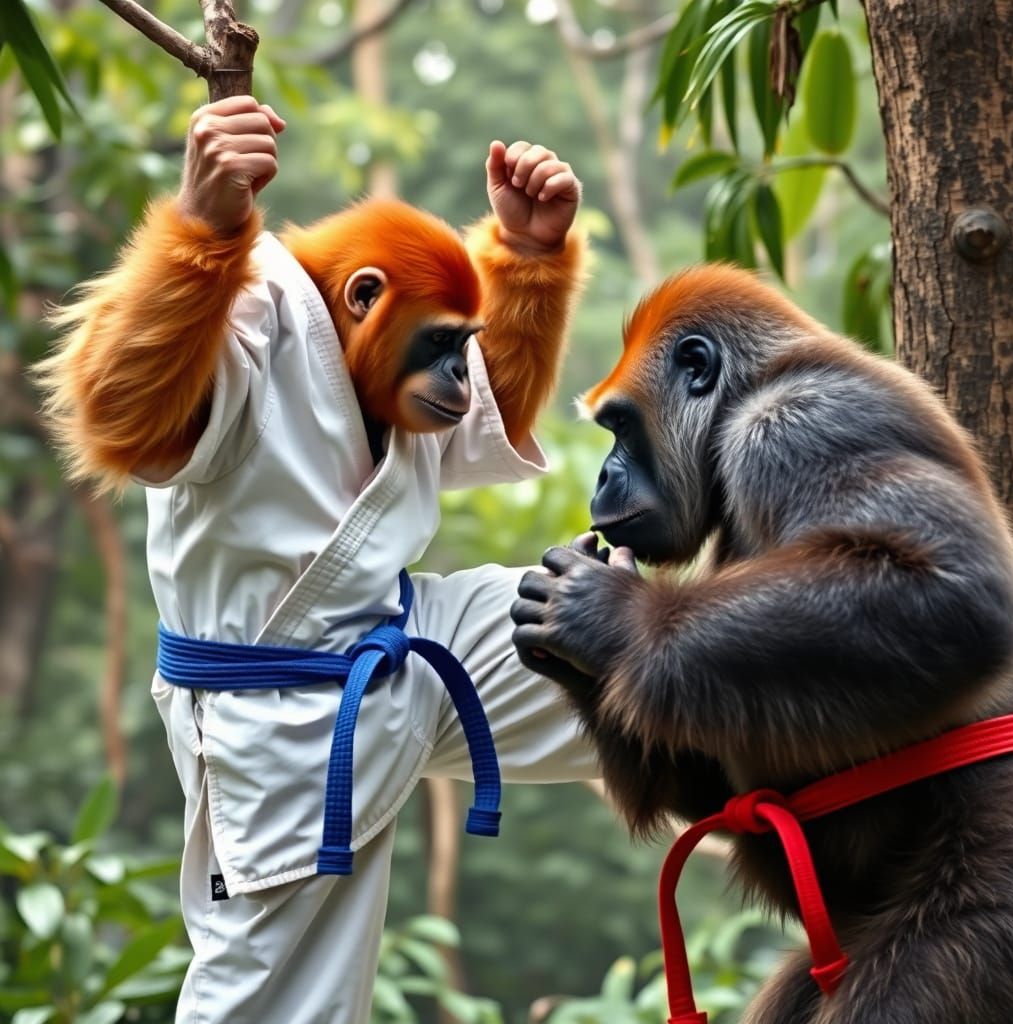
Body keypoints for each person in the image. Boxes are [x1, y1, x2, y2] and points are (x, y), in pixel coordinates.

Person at [41, 95, 599, 1023]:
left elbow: (488, 406)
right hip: (279, 712)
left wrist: (527, 262)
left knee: (622, 643)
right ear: (364, 298)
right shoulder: (255, 321)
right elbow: (119, 423)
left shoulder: (390, 365)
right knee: (281, 1000)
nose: (462, 375)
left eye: (463, 346)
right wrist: (197, 236)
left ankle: (827, 701)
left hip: (405, 639)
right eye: (444, 349)